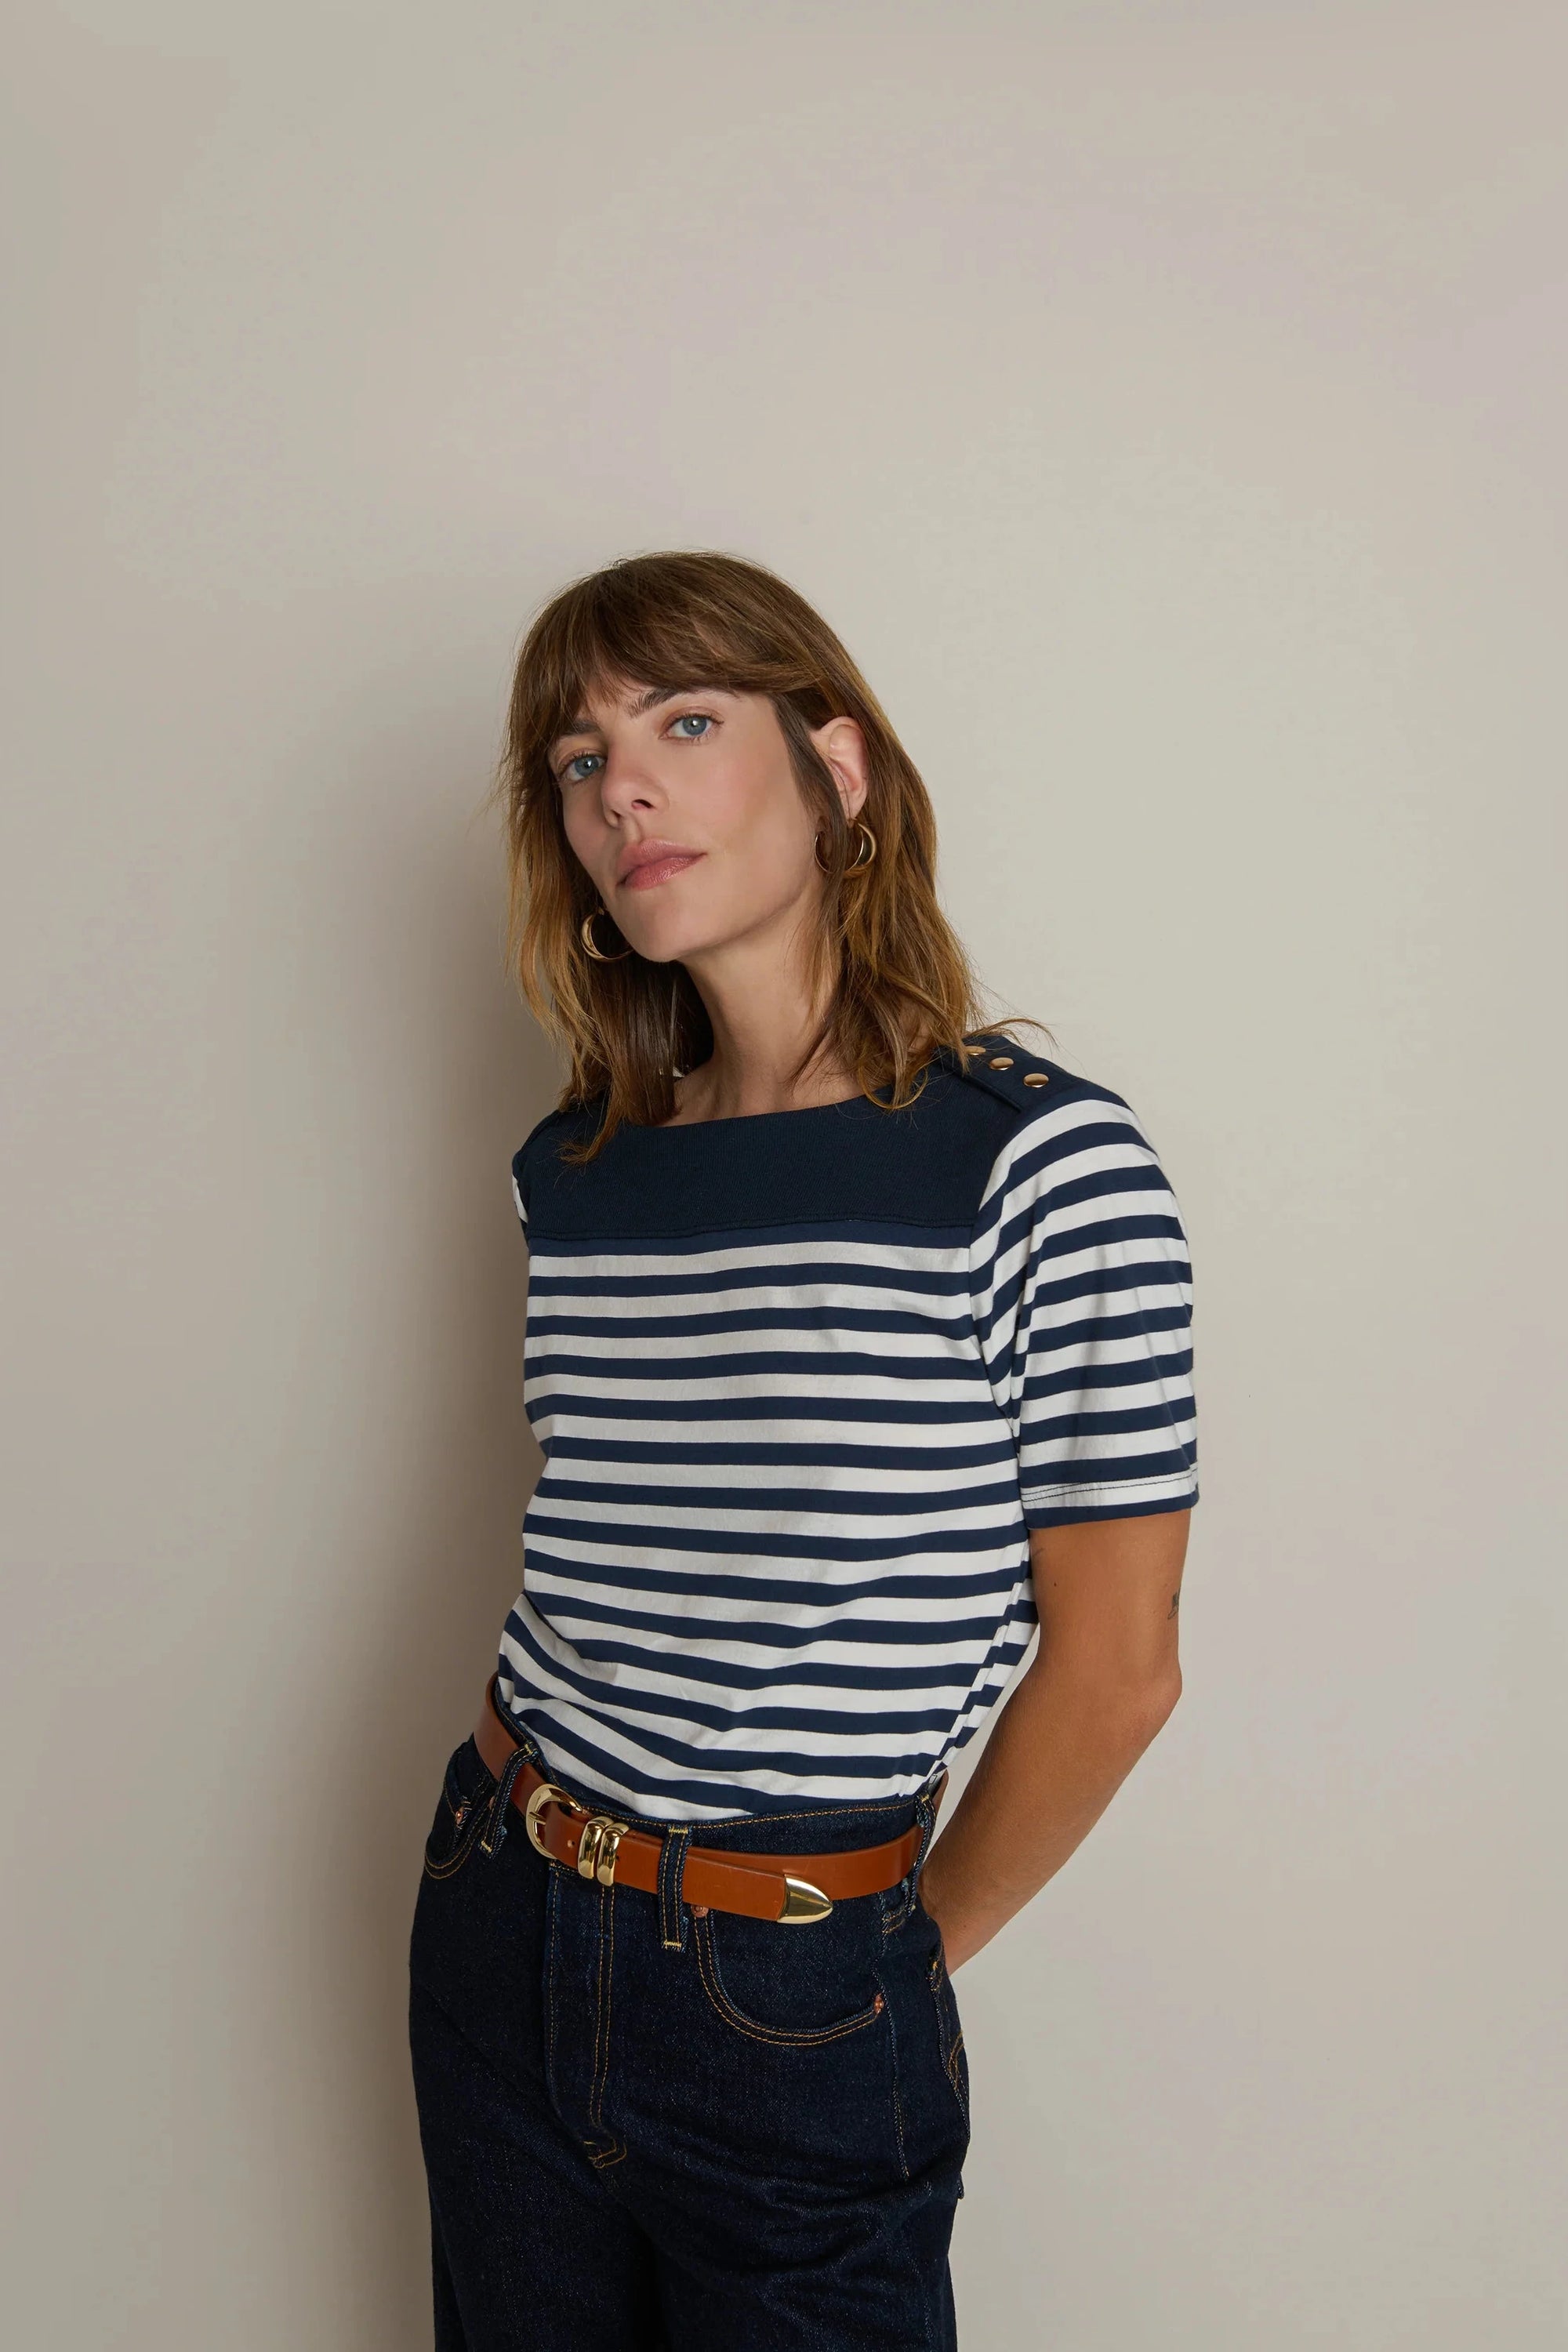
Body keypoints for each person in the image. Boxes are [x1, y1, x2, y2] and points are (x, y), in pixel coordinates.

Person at [407, 550, 1197, 2350]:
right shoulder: (581, 1172)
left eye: (685, 722)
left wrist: (887, 1959)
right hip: (500, 1913)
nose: (624, 789)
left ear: (836, 773)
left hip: (795, 1986)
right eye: (580, 758)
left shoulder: (1034, 1167)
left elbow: (1120, 1665)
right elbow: (598, 1541)